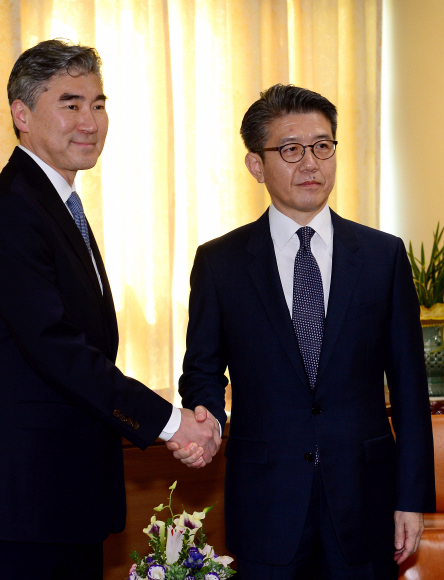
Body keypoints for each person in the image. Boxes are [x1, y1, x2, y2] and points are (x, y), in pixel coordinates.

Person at [0, 39, 220, 580]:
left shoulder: (54, 203)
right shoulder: (9, 212)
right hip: (20, 509)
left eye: (99, 104)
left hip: (60, 503)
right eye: (70, 104)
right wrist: (172, 424)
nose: (91, 121)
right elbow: (59, 351)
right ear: (21, 115)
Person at [170, 84, 436, 579]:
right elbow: (202, 370)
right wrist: (206, 422)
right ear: (256, 164)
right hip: (266, 502)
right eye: (290, 150)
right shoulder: (221, 263)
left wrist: (411, 498)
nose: (310, 163)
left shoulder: (382, 257)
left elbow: (408, 387)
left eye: (323, 146)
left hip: (366, 501)